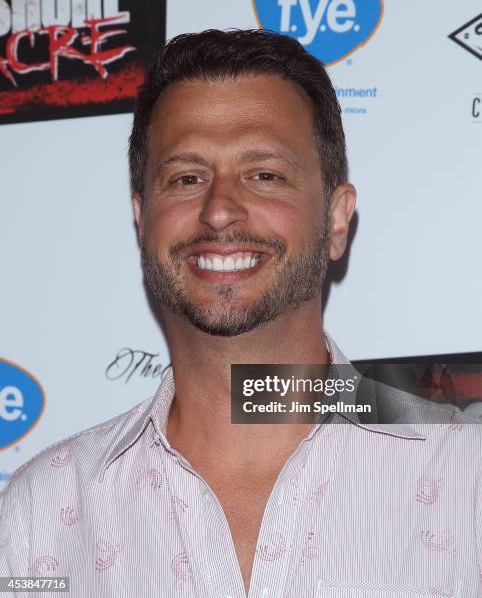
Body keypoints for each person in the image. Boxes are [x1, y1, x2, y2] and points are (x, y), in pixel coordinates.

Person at [0, 29, 481, 598]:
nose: (220, 209)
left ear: (336, 220)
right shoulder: (40, 517)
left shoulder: (468, 483)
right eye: (187, 178)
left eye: (264, 175)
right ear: (142, 218)